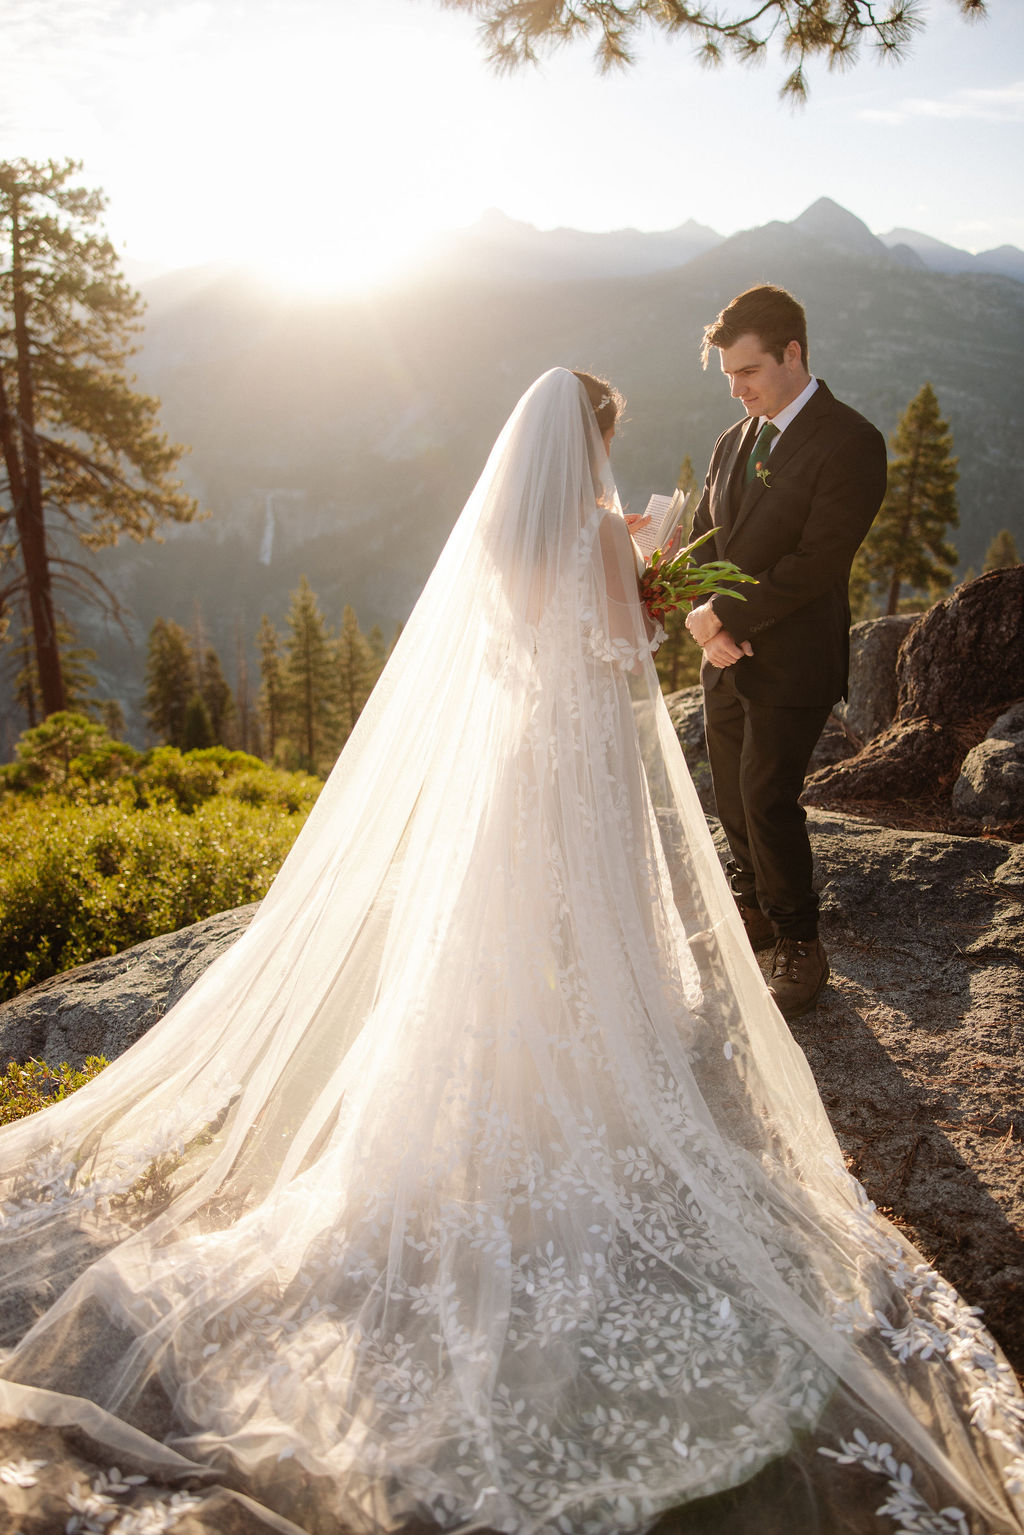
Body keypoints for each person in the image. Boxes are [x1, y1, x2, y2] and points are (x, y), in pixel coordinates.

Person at [0, 369, 1022, 1535]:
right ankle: (584, 1098)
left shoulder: (495, 530)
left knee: (497, 943)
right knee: (585, 938)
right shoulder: (593, 529)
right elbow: (622, 646)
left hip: (512, 778)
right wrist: (655, 555)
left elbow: (527, 641)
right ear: (590, 441)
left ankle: (472, 1118)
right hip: (578, 774)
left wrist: (630, 561)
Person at [686, 285, 887, 1019]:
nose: (738, 390)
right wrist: (689, 600)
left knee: (769, 797)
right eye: (729, 377)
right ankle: (758, 910)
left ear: (793, 353)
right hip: (724, 653)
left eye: (749, 372)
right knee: (733, 797)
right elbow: (707, 540)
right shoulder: (730, 441)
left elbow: (818, 561)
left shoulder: (851, 440)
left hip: (793, 656)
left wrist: (722, 614)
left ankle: (801, 942)